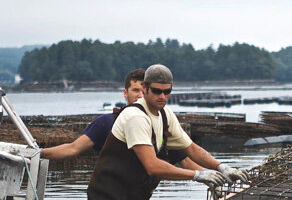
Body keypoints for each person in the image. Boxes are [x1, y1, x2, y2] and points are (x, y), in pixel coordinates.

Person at [87, 64, 248, 200]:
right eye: (157, 91)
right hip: (108, 197)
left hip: (132, 199)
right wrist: (197, 175)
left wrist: (222, 167)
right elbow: (152, 166)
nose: (162, 96)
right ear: (145, 88)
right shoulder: (135, 117)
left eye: (167, 92)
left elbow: (191, 148)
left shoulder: (165, 114)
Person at [41, 69, 200, 170]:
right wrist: (39, 154)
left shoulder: (160, 125)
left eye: (142, 91)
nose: (140, 95)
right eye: (135, 90)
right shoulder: (105, 123)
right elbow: (72, 149)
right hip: (110, 193)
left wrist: (213, 179)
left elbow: (185, 160)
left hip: (137, 198)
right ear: (125, 93)